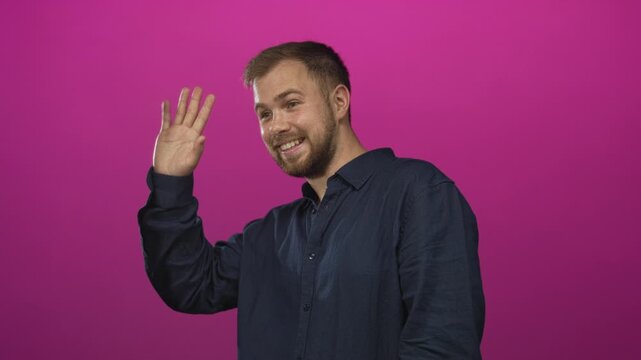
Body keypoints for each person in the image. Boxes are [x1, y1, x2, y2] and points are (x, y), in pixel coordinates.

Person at [137, 41, 485, 359]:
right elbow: (192, 284)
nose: (276, 126)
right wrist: (171, 181)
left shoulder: (419, 193)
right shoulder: (271, 233)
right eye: (265, 114)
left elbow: (442, 345)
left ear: (338, 102)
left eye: (290, 104)